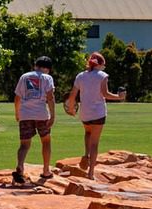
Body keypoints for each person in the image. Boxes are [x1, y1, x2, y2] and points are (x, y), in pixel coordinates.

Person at [64, 51, 126, 180]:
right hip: (98, 112)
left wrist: (70, 108)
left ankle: (86, 154)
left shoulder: (80, 76)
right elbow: (105, 93)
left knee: (87, 133)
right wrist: (119, 97)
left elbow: (73, 94)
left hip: (85, 112)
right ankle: (91, 172)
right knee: (95, 143)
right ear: (100, 64)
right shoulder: (102, 76)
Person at [12, 55, 57, 185]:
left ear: (35, 65)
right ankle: (46, 170)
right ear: (47, 68)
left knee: (24, 145)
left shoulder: (24, 77)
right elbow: (50, 97)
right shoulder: (47, 78)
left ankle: (20, 166)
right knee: (46, 141)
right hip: (41, 114)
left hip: (25, 114)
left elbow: (17, 97)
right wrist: (53, 115)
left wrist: (17, 113)